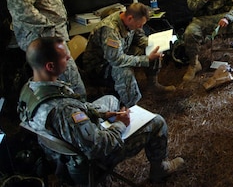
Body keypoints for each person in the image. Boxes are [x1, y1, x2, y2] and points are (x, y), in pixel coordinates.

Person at [18, 37, 184, 184]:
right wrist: (120, 124)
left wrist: (104, 114)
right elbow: (99, 147)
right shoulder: (64, 110)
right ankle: (160, 169)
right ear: (50, 66)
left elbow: (75, 106)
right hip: (88, 160)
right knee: (157, 122)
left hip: (63, 149)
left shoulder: (32, 89)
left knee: (110, 100)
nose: (69, 58)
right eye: (64, 56)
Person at [82, 2, 175, 108]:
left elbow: (139, 38)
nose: (140, 27)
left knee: (152, 50)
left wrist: (153, 43)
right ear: (130, 18)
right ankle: (132, 106)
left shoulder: (131, 21)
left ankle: (152, 84)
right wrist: (146, 59)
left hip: (119, 53)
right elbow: (116, 60)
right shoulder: (110, 30)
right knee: (124, 71)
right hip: (100, 66)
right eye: (139, 25)